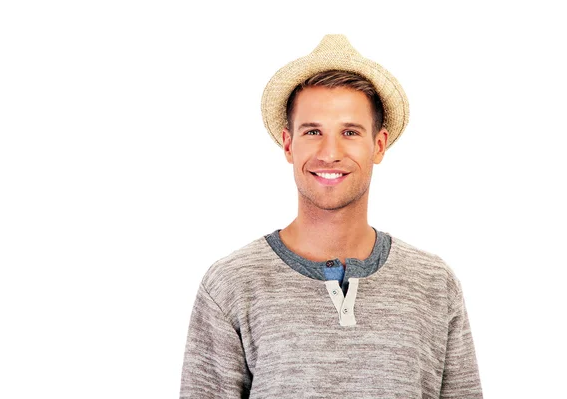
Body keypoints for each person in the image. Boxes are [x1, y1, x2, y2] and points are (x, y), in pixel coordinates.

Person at [179, 34, 483, 398]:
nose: (329, 153)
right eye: (313, 131)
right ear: (289, 144)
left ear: (379, 145)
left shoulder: (434, 283)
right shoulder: (231, 285)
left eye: (350, 132)